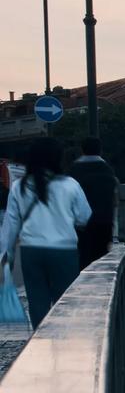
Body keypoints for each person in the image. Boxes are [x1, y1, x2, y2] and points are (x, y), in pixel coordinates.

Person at [0, 138, 92, 328]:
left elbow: (10, 226)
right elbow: (85, 217)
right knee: (65, 301)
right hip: (64, 250)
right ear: (58, 159)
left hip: (31, 251)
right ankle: (63, 339)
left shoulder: (19, 186)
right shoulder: (70, 184)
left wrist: (5, 257)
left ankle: (40, 341)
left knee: (37, 301)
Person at [68, 137, 120, 269]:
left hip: (79, 225)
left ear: (82, 150)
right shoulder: (108, 170)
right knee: (100, 260)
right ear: (100, 151)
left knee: (82, 258)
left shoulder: (74, 169)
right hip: (104, 222)